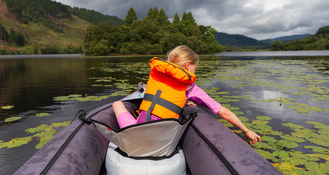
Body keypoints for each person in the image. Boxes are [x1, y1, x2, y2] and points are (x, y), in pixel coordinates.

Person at [112, 45, 261, 145]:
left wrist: (182, 102)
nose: (195, 72)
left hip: (135, 135)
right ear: (188, 65)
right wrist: (247, 130)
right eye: (195, 68)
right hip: (160, 141)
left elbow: (161, 97)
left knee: (117, 104)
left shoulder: (156, 74)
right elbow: (224, 112)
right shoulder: (190, 87)